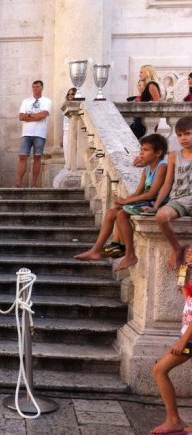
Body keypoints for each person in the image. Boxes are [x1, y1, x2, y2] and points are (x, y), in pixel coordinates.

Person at [74, 134, 168, 271]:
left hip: (157, 203)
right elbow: (138, 192)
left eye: (146, 150)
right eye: (141, 149)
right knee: (111, 212)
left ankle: (129, 254)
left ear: (158, 153)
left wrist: (126, 201)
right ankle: (96, 250)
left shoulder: (162, 166)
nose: (141, 153)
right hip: (146, 201)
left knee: (122, 215)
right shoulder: (147, 169)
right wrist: (123, 201)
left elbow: (151, 193)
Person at [149, 246, 192, 435]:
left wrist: (183, 341)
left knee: (160, 369)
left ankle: (174, 420)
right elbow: (186, 295)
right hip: (188, 335)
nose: (189, 253)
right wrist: (185, 271)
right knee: (159, 369)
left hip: (189, 338)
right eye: (188, 252)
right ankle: (173, 420)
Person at [145, 116, 192, 270]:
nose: (183, 138)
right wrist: (156, 206)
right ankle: (177, 248)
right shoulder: (173, 156)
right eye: (180, 135)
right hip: (178, 199)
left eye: (188, 134)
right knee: (161, 216)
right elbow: (167, 184)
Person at [14, 80, 52, 188]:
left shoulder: (47, 101)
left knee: (37, 157)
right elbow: (21, 116)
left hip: (40, 133)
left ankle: (33, 183)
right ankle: (18, 183)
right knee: (22, 157)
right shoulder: (26, 101)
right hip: (26, 133)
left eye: (37, 87)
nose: (35, 89)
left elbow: (43, 115)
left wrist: (29, 115)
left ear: (42, 88)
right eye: (34, 87)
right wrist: (35, 116)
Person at [53, 88, 76, 188]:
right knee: (66, 155)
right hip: (66, 133)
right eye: (69, 94)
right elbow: (64, 124)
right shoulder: (65, 107)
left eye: (73, 94)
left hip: (73, 133)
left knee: (72, 155)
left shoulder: (77, 107)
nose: (70, 95)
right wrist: (62, 138)